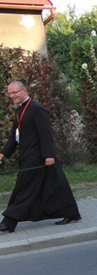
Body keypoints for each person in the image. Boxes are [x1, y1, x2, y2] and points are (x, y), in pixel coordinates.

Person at [0, 81, 81, 232]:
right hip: (27, 155)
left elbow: (45, 133)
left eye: (14, 92)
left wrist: (49, 155)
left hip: (38, 156)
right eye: (9, 93)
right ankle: (72, 213)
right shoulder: (20, 110)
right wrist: (2, 154)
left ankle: (9, 222)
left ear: (24, 91)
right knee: (57, 185)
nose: (11, 96)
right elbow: (14, 137)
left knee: (24, 188)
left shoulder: (36, 109)